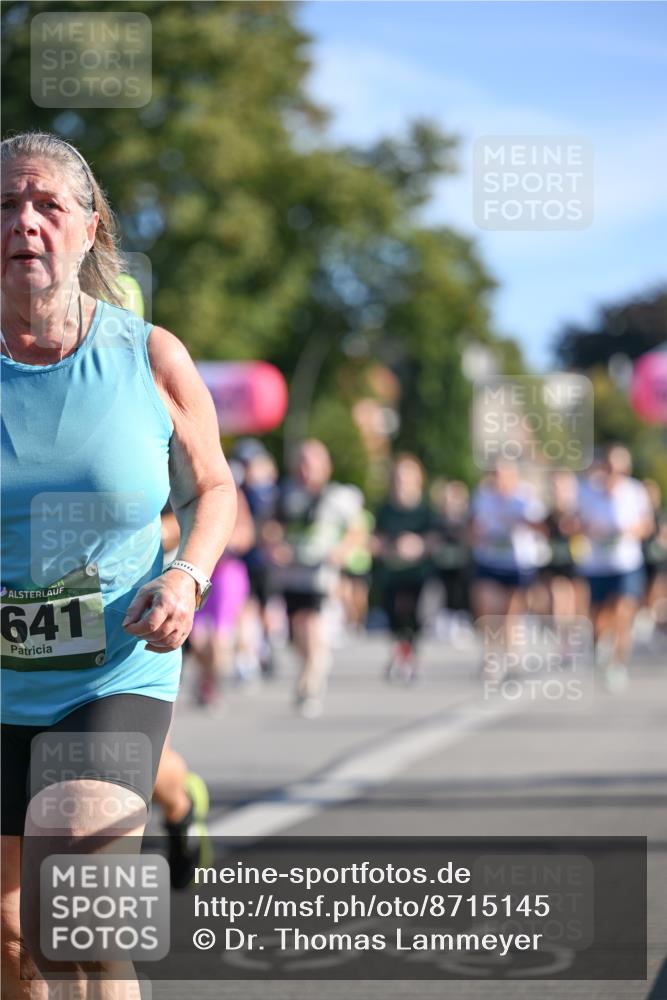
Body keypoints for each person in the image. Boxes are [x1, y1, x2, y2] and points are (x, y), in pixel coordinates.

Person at [0, 133, 237, 997]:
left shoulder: (148, 355)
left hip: (112, 670)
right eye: (5, 206)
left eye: (46, 204)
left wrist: (186, 577)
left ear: (88, 226)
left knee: (78, 910)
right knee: (10, 934)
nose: (24, 223)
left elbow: (213, 488)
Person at [265, 439, 362, 717]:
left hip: (321, 575)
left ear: (325, 466)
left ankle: (310, 684)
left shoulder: (340, 497)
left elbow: (357, 531)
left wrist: (341, 552)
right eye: (302, 462)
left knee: (312, 625)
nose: (306, 469)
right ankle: (310, 668)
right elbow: (271, 527)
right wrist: (275, 546)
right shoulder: (285, 495)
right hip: (292, 574)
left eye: (312, 463)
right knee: (298, 631)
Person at [574, 445, 654, 691]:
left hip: (626, 563)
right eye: (609, 467)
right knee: (598, 617)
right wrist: (590, 529)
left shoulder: (635, 491)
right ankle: (602, 644)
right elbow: (575, 522)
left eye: (618, 468)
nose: (612, 473)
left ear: (625, 469)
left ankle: (618, 665)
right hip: (597, 565)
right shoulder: (588, 491)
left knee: (623, 613)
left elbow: (647, 525)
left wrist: (629, 530)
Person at [469, 462, 547, 678]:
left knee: (510, 614)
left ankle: (512, 655)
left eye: (504, 475)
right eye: (495, 475)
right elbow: (472, 528)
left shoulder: (525, 498)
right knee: (488, 608)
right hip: (489, 561)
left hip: (518, 564)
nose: (499, 480)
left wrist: (523, 522)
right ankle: (490, 656)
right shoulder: (482, 497)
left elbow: (542, 528)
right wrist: (477, 533)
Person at [373, 454, 438, 682]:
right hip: (392, 573)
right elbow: (375, 540)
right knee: (395, 617)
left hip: (418, 574)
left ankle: (410, 657)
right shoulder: (385, 510)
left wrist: (418, 545)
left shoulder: (425, 510)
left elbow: (435, 539)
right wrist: (392, 548)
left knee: (415, 617)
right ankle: (400, 655)